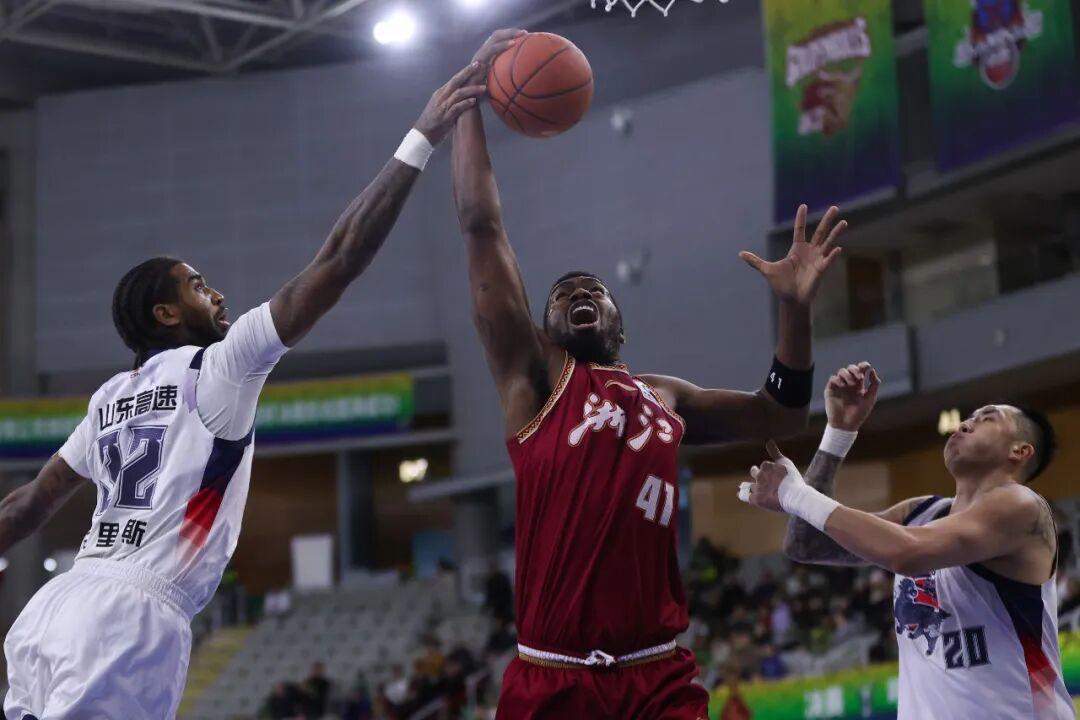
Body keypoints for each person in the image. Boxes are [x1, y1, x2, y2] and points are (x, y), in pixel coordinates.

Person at [0, 56, 499, 719]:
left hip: (52, 612)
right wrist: (423, 134)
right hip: (129, 617)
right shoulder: (220, 367)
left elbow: (28, 506)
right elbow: (339, 259)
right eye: (198, 286)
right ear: (166, 314)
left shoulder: (108, 399)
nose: (218, 294)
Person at [452, 28, 847, 719]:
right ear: (543, 329)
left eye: (595, 290)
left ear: (620, 327)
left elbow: (781, 416)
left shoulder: (664, 397)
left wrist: (794, 310)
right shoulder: (533, 381)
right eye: (563, 293)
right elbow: (482, 225)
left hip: (656, 675)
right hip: (552, 676)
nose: (579, 293)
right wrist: (468, 101)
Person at [739, 361, 1074, 719]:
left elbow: (906, 553)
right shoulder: (921, 512)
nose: (965, 423)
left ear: (1020, 451)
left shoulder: (1022, 507)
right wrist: (837, 434)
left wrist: (794, 494)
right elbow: (806, 544)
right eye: (969, 417)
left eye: (987, 418)